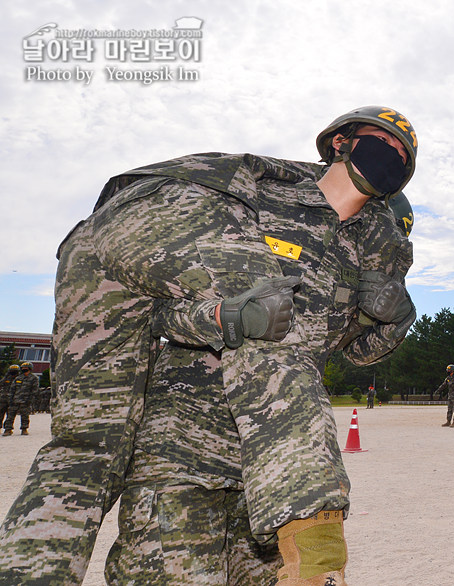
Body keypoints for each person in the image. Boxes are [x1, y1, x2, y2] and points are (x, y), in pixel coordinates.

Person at [0, 106, 418, 586]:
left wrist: (393, 322)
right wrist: (224, 319)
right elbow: (156, 310)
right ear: (340, 142)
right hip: (180, 451)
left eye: (404, 158)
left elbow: (348, 351)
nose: (393, 156)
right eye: (383, 142)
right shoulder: (259, 204)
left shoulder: (362, 260)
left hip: (266, 479)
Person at [2, 362, 39, 436]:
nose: (24, 369)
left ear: (30, 369)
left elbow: (34, 390)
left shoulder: (34, 378)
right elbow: (12, 389)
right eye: (22, 368)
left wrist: (30, 400)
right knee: (10, 416)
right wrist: (10, 399)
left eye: (26, 368)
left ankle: (24, 429)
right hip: (15, 400)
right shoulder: (18, 378)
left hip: (26, 400)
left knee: (25, 416)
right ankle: (8, 429)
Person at [0, 364, 20, 431]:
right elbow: (1, 383)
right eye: (12, 371)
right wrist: (6, 375)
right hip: (3, 399)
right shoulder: (6, 378)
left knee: (10, 415)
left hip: (13, 399)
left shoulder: (20, 378)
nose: (13, 372)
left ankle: (8, 429)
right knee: (0, 413)